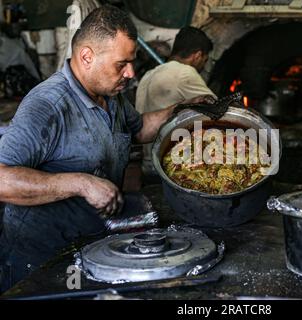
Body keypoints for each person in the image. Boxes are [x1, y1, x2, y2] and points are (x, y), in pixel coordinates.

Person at [0, 6, 177, 293]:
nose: (131, 73)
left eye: (131, 62)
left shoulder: (112, 94)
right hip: (40, 261)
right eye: (122, 64)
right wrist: (80, 183)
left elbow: (140, 128)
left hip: (91, 246)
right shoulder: (48, 105)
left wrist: (180, 110)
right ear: (86, 57)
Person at [135, 26, 217, 177]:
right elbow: (220, 111)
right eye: (204, 60)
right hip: (170, 168)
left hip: (147, 166)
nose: (204, 66)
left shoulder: (149, 74)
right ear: (198, 56)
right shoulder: (184, 73)